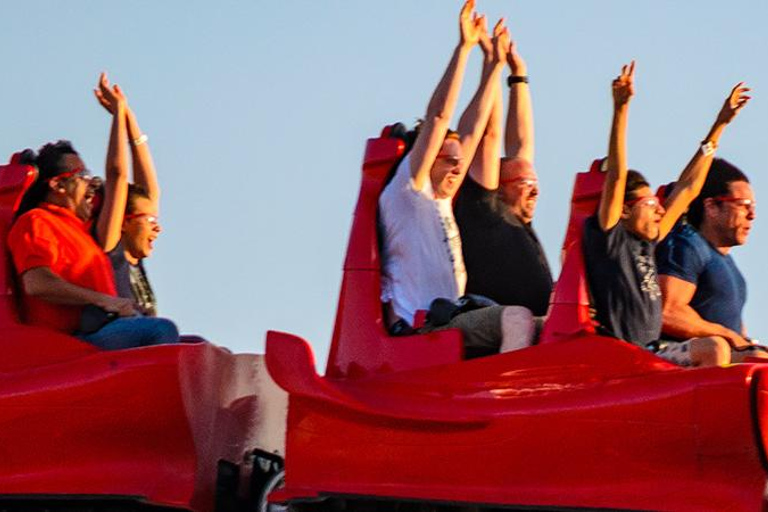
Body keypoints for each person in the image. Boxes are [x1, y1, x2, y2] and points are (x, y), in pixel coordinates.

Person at [379, 1, 533, 359]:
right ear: (424, 159)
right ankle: (506, 390)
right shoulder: (407, 192)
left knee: (544, 328)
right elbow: (439, 117)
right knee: (517, 319)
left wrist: (493, 66)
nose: (456, 168)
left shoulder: (442, 201)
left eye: (458, 162)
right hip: (424, 331)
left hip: (453, 321)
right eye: (447, 161)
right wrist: (464, 49)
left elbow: (476, 129)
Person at [582, 61, 750, 367]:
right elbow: (617, 177)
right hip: (628, 356)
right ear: (624, 210)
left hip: (657, 351)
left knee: (755, 357)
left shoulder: (648, 241)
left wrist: (720, 124)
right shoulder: (610, 240)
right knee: (714, 348)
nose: (661, 209)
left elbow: (688, 188)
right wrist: (621, 109)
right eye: (650, 204)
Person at [8, 138, 179, 350]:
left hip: (101, 328)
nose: (93, 184)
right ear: (58, 185)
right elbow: (37, 283)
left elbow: (143, 194)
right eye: (83, 176)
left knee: (196, 346)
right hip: (70, 342)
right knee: (160, 331)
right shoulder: (35, 221)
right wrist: (104, 300)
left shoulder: (80, 229)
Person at [454, 21, 552, 318]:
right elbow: (489, 135)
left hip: (540, 326)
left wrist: (518, 75)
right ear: (499, 187)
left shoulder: (516, 217)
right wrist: (492, 64)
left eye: (535, 182)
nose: (535, 190)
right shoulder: (485, 209)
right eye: (525, 183)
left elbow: (521, 145)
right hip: (501, 329)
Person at [656, 159, 767, 364]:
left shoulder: (729, 265)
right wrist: (726, 334)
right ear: (711, 207)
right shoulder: (687, 245)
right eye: (743, 205)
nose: (752, 215)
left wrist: (746, 343)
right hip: (677, 362)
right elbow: (667, 311)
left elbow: (738, 335)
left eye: (753, 206)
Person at [93, 73, 162, 316]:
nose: (158, 228)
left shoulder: (135, 259)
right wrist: (118, 116)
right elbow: (117, 176)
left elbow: (151, 191)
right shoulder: (113, 250)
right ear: (123, 223)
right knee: (164, 329)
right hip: (113, 336)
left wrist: (127, 116)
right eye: (149, 220)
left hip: (144, 336)